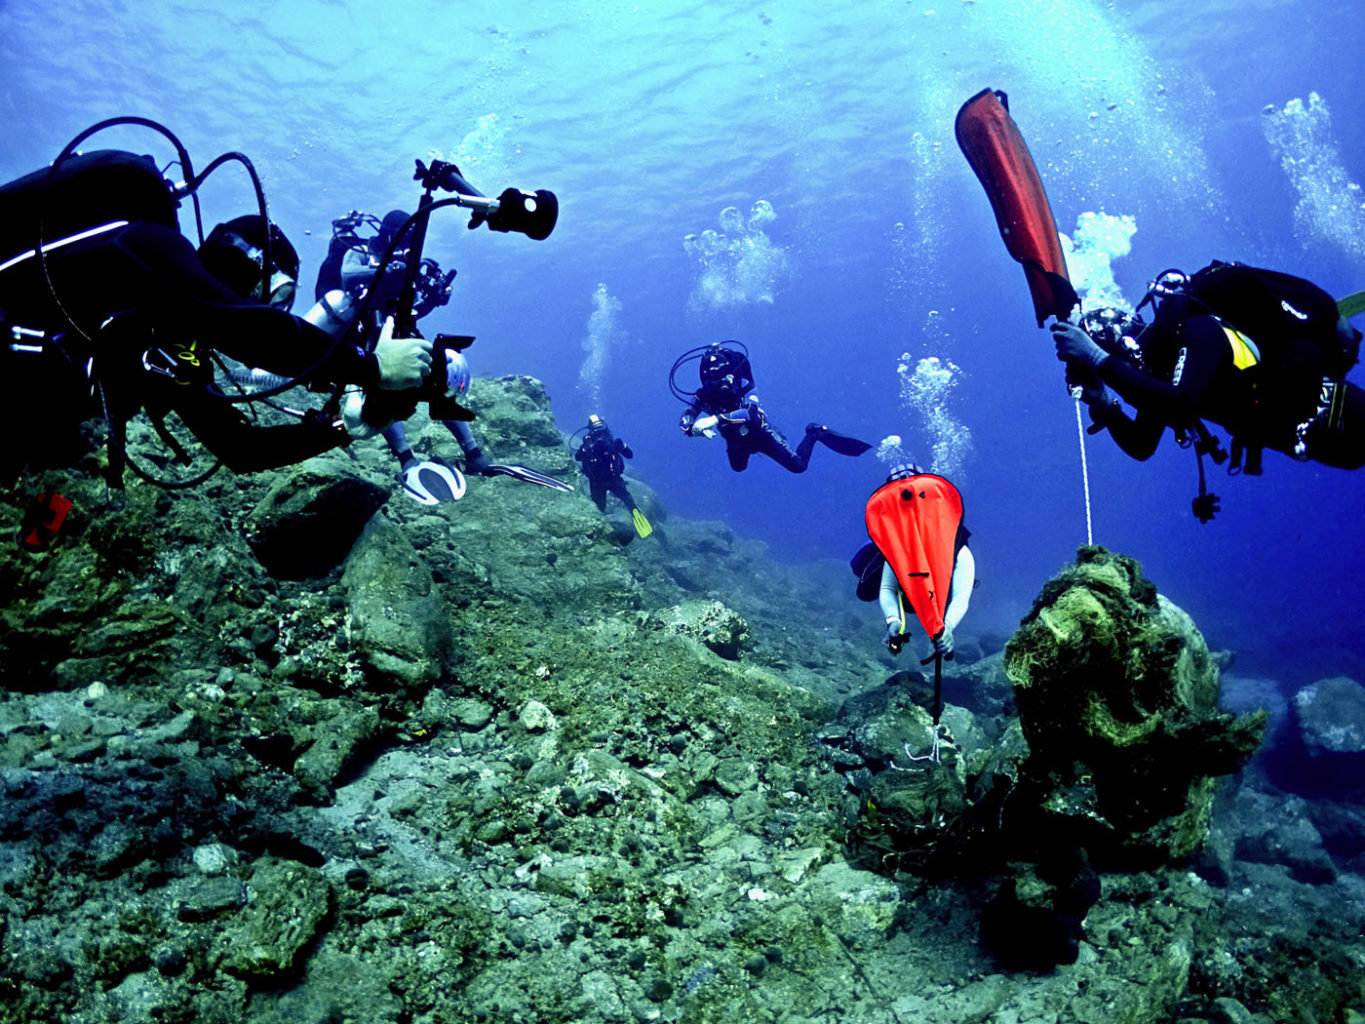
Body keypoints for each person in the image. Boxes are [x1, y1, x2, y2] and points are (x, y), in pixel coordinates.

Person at [0, 151, 434, 482]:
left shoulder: (174, 347)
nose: (271, 309)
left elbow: (242, 449)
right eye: (274, 295)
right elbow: (249, 328)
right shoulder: (150, 247)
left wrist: (346, 426)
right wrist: (372, 367)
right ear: (248, 262)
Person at [302, 207, 570, 504]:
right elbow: (347, 275)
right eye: (405, 238)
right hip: (356, 326)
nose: (408, 245)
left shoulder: (405, 259)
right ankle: (407, 460)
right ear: (391, 233)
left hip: (393, 325)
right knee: (384, 386)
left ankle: (474, 452)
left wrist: (434, 296)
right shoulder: (361, 250)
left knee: (435, 373)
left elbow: (412, 305)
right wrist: (390, 270)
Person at [1052, 262, 1365, 486]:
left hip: (1341, 419)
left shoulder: (1199, 331)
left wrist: (1095, 356)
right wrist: (1105, 402)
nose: (1123, 360)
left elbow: (1179, 405)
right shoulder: (1160, 369)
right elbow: (1141, 444)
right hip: (1312, 432)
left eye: (1114, 350)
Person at [671, 341, 871, 472]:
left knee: (798, 466)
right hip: (735, 439)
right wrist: (692, 429)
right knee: (738, 467)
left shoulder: (744, 387)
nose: (719, 383)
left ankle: (815, 432)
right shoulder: (703, 394)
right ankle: (744, 448)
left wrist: (715, 419)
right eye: (713, 378)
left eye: (723, 376)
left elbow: (750, 413)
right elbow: (686, 416)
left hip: (761, 434)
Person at [852, 463, 974, 658]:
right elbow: (887, 588)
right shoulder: (898, 546)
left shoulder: (956, 546)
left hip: (936, 598)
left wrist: (947, 627)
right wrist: (894, 622)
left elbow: (961, 596)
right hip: (910, 595)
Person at [573, 414, 651, 537]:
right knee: (623, 502)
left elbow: (629, 454)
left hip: (603, 481)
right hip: (606, 480)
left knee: (604, 507)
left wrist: (621, 446)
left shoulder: (611, 442)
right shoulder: (590, 443)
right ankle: (631, 517)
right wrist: (587, 449)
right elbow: (578, 457)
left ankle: (598, 530)